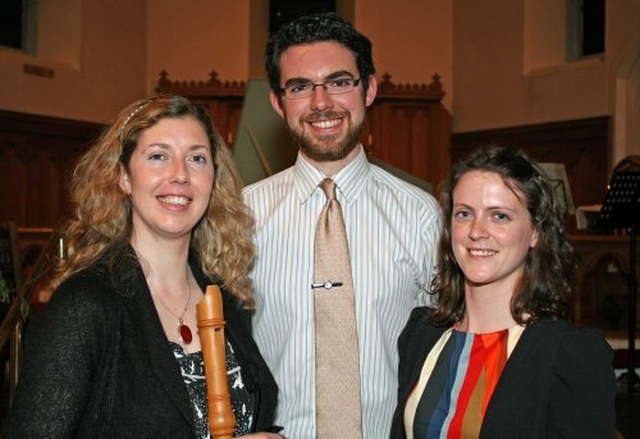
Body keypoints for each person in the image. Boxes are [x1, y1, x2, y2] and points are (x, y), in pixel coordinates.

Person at [2, 95, 283, 438]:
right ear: (123, 177)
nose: (180, 175)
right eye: (158, 156)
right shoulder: (86, 304)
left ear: (213, 178)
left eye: (196, 158)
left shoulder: (225, 295)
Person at [242, 12, 441, 438]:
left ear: (368, 88)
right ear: (278, 102)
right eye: (299, 87)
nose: (320, 103)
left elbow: (448, 350)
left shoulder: (422, 216)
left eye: (338, 81)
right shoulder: (240, 217)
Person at [390, 146, 616, 438]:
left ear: (536, 232)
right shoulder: (423, 334)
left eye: (499, 216)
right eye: (463, 213)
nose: (476, 231)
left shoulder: (568, 354)